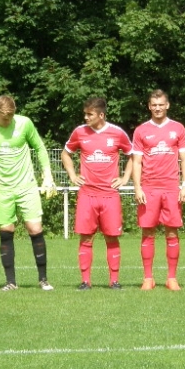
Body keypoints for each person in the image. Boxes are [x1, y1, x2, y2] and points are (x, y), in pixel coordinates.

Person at [0, 95, 57, 291]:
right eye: (4, 117)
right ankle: (11, 282)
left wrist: (47, 176)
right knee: (6, 231)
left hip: (27, 186)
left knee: (35, 228)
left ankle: (43, 279)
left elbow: (40, 148)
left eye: (11, 116)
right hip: (1, 189)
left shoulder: (25, 123)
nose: (8, 120)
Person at [61, 97, 133, 290]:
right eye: (85, 114)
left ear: (101, 115)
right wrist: (72, 175)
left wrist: (125, 178)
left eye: (89, 114)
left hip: (110, 195)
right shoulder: (79, 132)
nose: (86, 117)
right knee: (86, 238)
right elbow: (65, 153)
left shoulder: (117, 133)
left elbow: (133, 155)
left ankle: (114, 281)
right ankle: (85, 281)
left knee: (112, 237)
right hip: (87, 194)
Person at [130, 89, 185, 291]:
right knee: (147, 232)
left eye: (161, 104)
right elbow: (136, 162)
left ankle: (171, 278)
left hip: (171, 187)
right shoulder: (141, 130)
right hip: (149, 188)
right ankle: (148, 278)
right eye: (154, 105)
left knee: (172, 232)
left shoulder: (178, 128)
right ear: (149, 106)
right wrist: (137, 187)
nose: (157, 108)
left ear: (167, 105)